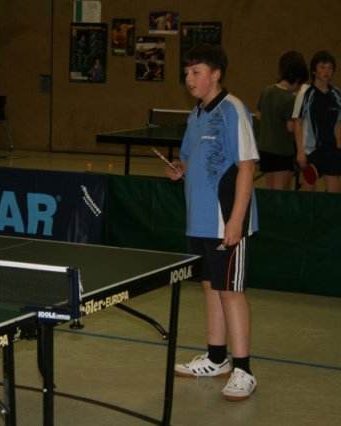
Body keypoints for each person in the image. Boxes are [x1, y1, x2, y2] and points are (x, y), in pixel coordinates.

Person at [164, 43, 259, 401]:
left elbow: (247, 167)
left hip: (225, 220)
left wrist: (236, 221)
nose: (189, 78)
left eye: (196, 72)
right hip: (199, 221)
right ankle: (217, 358)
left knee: (231, 291)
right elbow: (190, 159)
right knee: (210, 287)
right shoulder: (196, 114)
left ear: (216, 74)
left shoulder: (233, 110)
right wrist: (180, 169)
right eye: (187, 73)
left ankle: (243, 369)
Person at [255, 51, 309, 190]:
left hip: (265, 149)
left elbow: (259, 115)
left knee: (270, 188)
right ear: (297, 80)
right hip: (282, 151)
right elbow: (291, 127)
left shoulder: (267, 90)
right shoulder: (290, 99)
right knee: (280, 190)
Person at [293, 50, 341, 192]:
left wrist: (339, 146)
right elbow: (297, 122)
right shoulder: (306, 93)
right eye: (322, 67)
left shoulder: (337, 94)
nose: (326, 71)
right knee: (308, 190)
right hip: (311, 150)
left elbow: (339, 123)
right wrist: (300, 151)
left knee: (334, 192)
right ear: (314, 70)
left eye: (330, 68)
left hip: (331, 150)